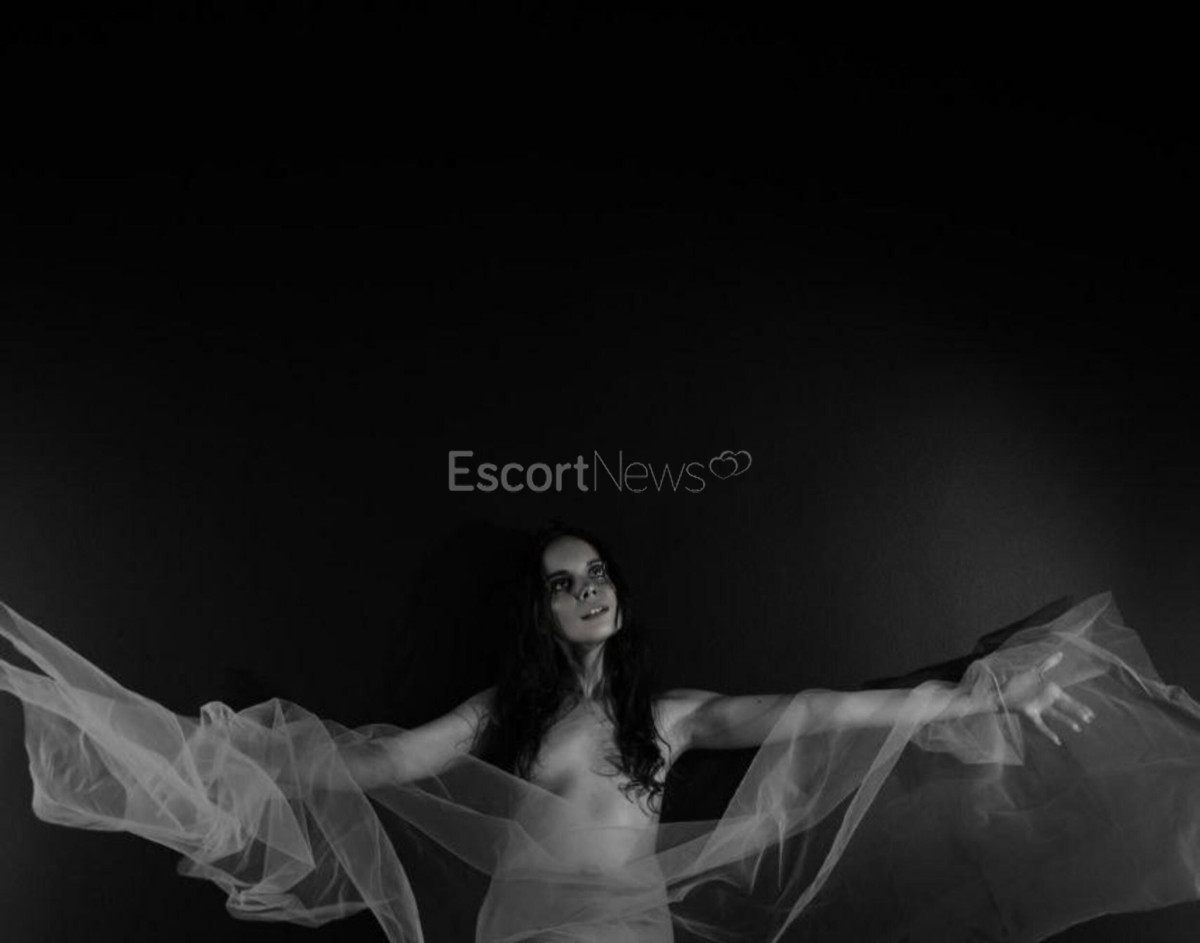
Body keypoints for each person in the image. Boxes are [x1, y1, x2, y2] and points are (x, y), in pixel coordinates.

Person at [2, 521, 1200, 942]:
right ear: (539, 608)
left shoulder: (667, 717)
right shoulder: (502, 713)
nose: (588, 590)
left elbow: (818, 710)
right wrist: (246, 753)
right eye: (564, 581)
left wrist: (973, 700)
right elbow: (382, 761)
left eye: (599, 574)